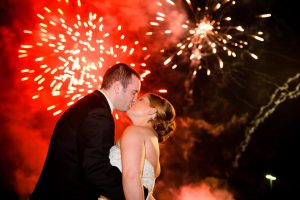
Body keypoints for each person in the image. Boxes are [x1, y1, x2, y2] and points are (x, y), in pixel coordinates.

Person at [30, 63, 145, 200]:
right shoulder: (98, 114)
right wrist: (136, 194)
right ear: (118, 87)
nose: (135, 99)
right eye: (134, 92)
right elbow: (96, 168)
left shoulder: (90, 104)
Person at [108, 93, 176, 200]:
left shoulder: (135, 131)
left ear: (152, 111)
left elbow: (132, 177)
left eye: (141, 99)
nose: (134, 100)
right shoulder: (151, 138)